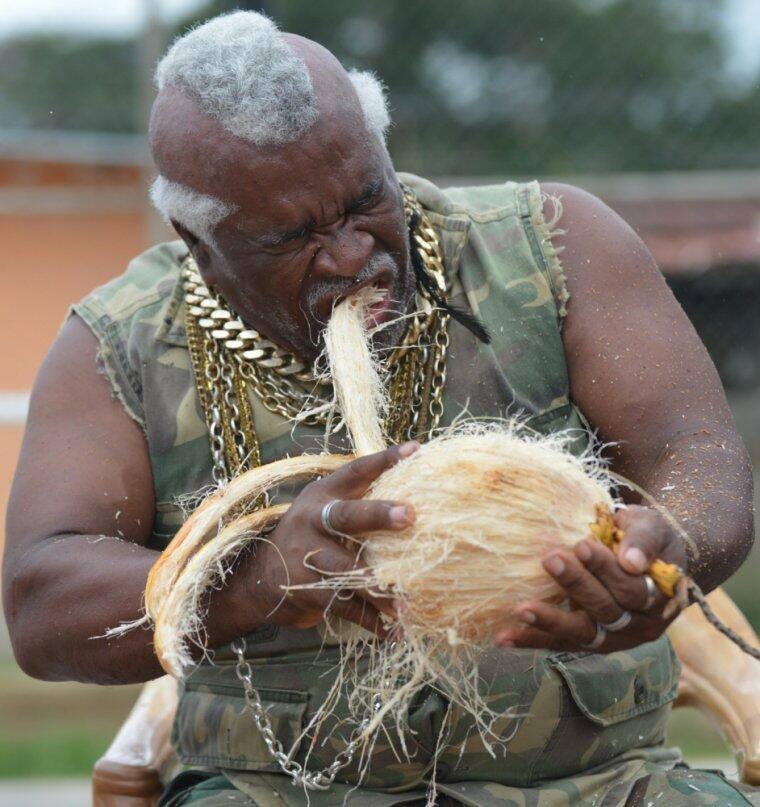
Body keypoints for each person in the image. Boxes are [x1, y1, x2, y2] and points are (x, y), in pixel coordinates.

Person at [3, 11, 756, 807]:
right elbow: (41, 599)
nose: (353, 253)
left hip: (602, 784)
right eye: (295, 237)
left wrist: (668, 547)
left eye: (366, 200)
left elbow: (697, 456)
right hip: (272, 794)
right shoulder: (118, 341)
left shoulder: (557, 244)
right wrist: (250, 582)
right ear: (198, 240)